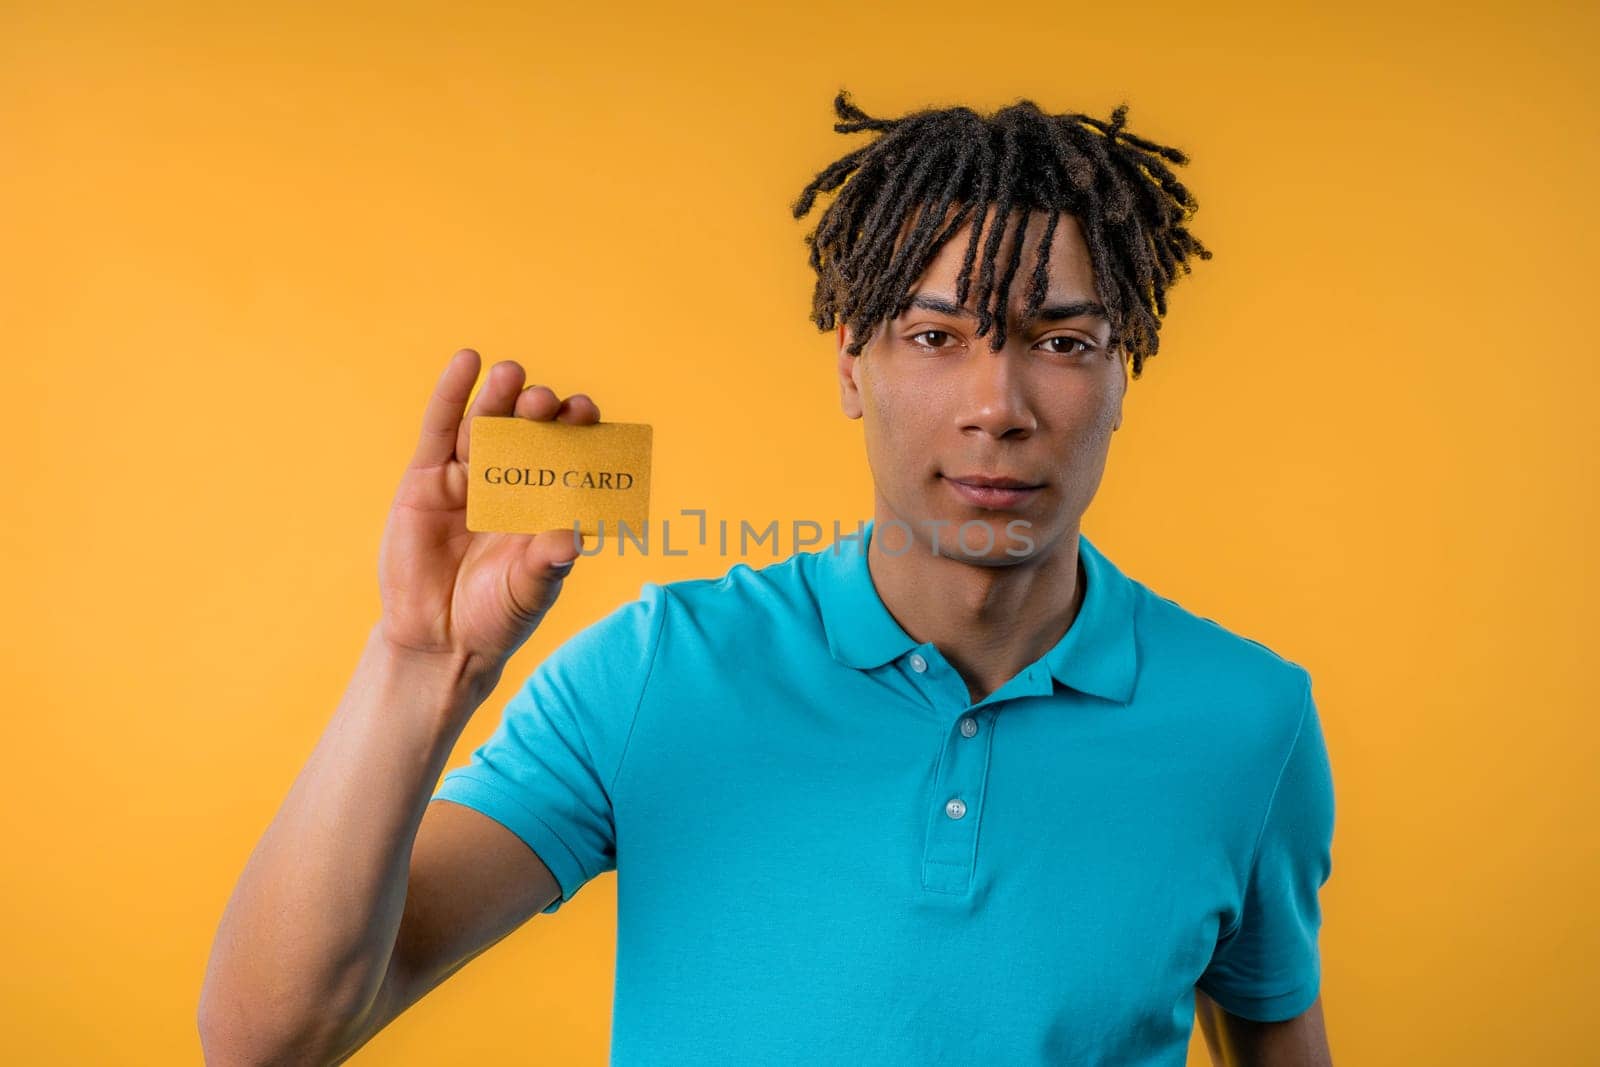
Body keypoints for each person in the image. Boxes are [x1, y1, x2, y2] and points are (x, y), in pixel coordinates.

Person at [199, 90, 1336, 1065]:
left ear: (1121, 372)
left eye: (1062, 339)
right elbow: (271, 1035)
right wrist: (420, 659)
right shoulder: (658, 672)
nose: (999, 405)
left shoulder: (1250, 717)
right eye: (937, 336)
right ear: (852, 363)